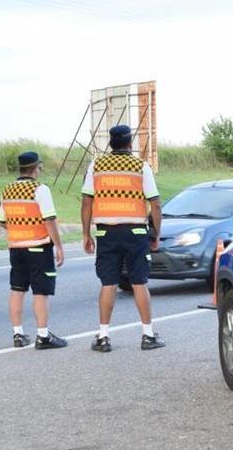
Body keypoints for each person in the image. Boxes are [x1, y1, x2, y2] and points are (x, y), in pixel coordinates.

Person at [81, 125, 164, 352]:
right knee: (139, 282)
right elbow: (155, 204)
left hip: (107, 233)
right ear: (130, 143)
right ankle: (148, 335)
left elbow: (87, 202)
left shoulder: (96, 166)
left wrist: (86, 233)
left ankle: (103, 336)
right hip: (136, 233)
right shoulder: (140, 166)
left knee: (108, 283)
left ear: (110, 143)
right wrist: (156, 233)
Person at [0, 151, 68, 349]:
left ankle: (18, 334)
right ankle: (43, 336)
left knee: (17, 289)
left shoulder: (7, 190)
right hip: (38, 246)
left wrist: (19, 229)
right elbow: (49, 220)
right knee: (41, 291)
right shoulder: (40, 189)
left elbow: (2, 221)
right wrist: (59, 246)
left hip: (16, 248)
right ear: (36, 168)